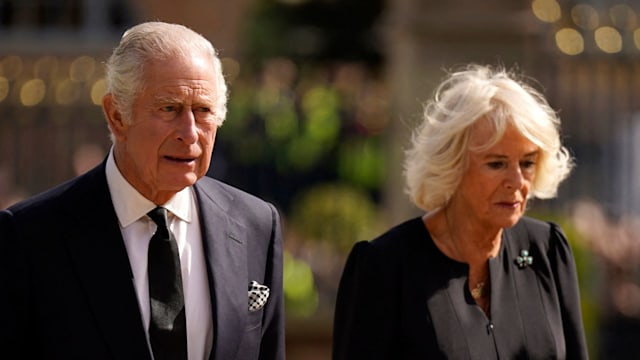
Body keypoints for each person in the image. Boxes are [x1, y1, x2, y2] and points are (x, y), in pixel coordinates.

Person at [0, 22, 284, 360]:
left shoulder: (256, 226)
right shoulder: (29, 237)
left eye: (203, 111)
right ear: (117, 115)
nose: (190, 133)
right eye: (170, 109)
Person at [332, 64, 588, 359]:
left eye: (527, 163)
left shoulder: (547, 249)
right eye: (497, 163)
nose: (517, 181)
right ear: (451, 165)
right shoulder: (385, 266)